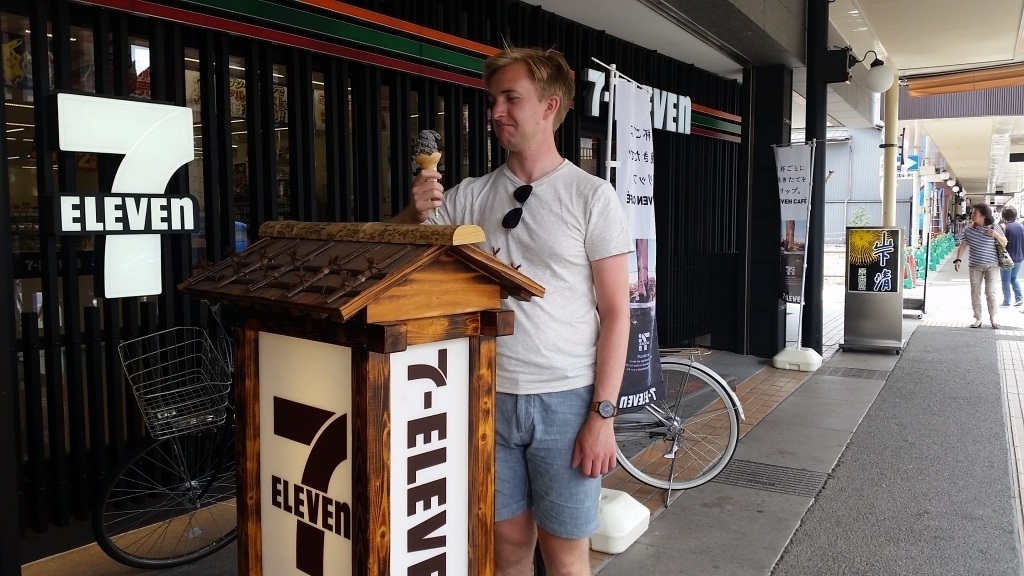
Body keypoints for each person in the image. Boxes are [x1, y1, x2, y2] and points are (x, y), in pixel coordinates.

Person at [391, 46, 632, 575]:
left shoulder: (591, 196)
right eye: (492, 99)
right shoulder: (468, 196)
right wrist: (416, 209)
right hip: (485, 391)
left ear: (549, 105)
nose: (495, 111)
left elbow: (617, 313)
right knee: (506, 544)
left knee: (566, 552)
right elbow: (402, 255)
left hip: (567, 398)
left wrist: (603, 416)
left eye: (510, 97)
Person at [953, 203, 1007, 328]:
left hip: (992, 265)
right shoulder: (968, 230)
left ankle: (994, 317)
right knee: (975, 292)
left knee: (990, 292)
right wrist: (958, 260)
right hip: (974, 266)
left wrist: (995, 235)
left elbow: (1004, 243)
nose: (972, 215)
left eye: (975, 213)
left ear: (983, 215)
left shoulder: (994, 227)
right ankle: (978, 318)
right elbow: (963, 245)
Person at [998, 206, 1023, 308]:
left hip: (1007, 257)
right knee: (1014, 278)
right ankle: (1019, 298)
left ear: (1004, 216)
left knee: (1005, 280)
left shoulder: (1004, 227)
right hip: (1020, 257)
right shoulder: (1022, 227)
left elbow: (1001, 243)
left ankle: (1007, 301)